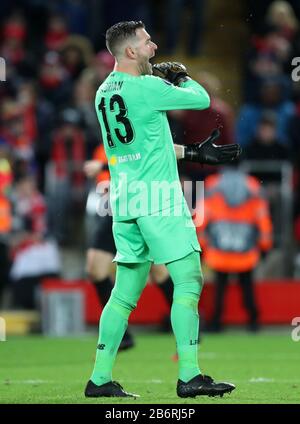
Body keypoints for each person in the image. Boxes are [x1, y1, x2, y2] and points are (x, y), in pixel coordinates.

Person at [84, 20, 241, 399]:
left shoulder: (104, 93)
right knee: (188, 280)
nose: (154, 46)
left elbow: (141, 147)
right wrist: (183, 77)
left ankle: (100, 379)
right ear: (131, 51)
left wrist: (192, 153)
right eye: (147, 41)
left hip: (123, 201)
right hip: (159, 198)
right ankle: (190, 374)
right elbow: (203, 99)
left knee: (123, 295)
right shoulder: (148, 87)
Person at [196, 166, 273, 332]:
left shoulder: (213, 184)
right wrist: (265, 246)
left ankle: (216, 322)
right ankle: (253, 321)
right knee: (247, 287)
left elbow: (202, 217)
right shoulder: (253, 186)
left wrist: (201, 245)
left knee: (220, 288)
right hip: (245, 248)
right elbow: (263, 218)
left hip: (219, 248)